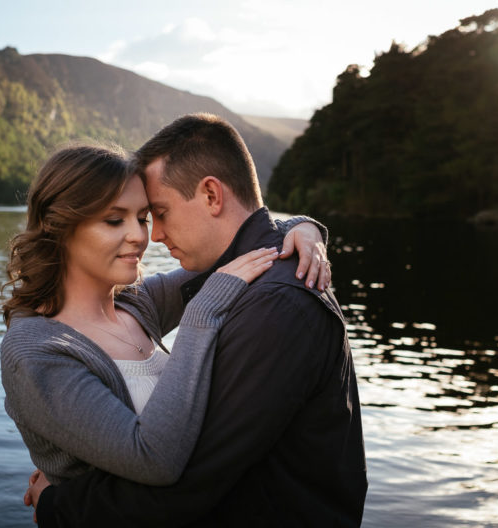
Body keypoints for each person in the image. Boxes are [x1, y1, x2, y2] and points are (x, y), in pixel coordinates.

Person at [29, 114, 368, 527]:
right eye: (122, 219)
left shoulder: (275, 306)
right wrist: (299, 226)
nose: (151, 236)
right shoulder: (243, 275)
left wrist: (56, 504)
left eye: (158, 212)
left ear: (211, 194)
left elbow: (186, 479)